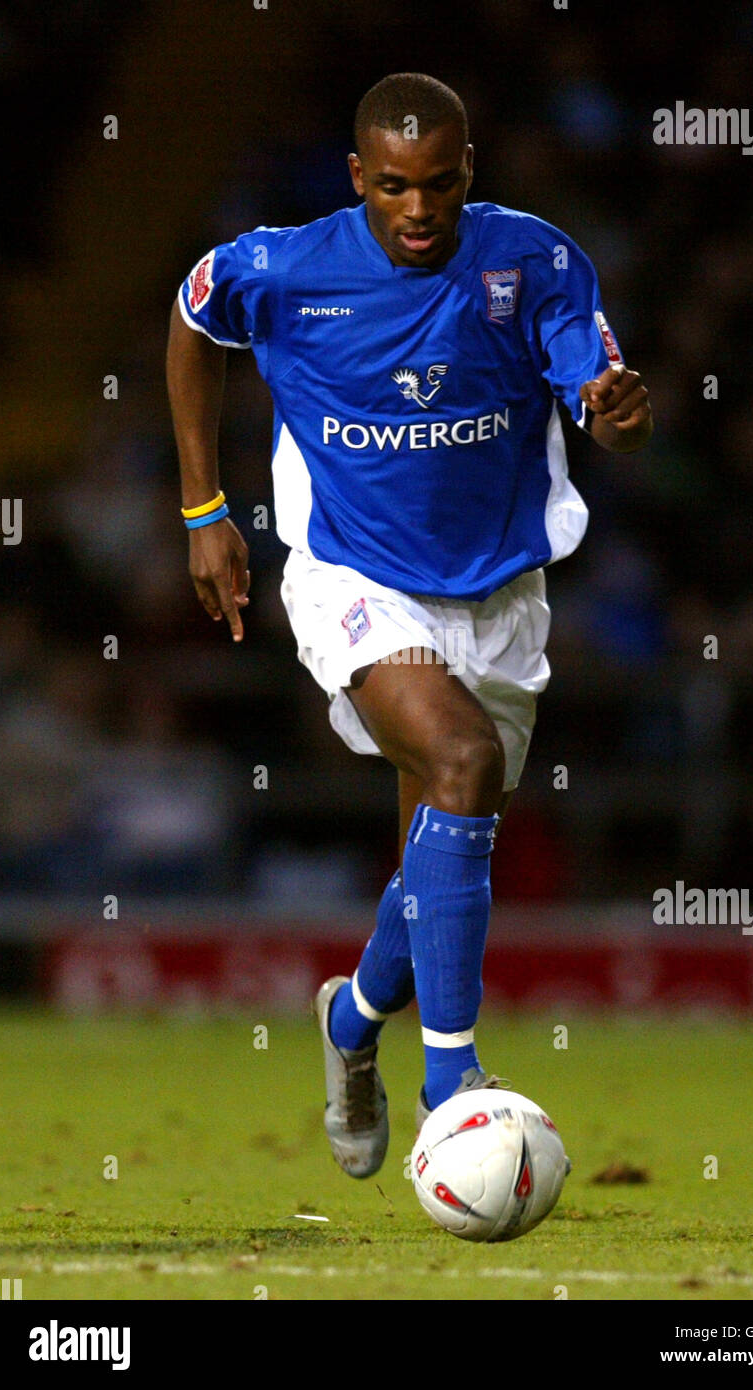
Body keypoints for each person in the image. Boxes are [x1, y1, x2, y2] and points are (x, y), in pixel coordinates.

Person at [166, 72, 652, 1180]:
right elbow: (190, 324)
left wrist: (620, 414)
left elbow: (604, 399)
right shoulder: (284, 265)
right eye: (392, 187)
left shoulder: (531, 261)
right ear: (357, 179)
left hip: (497, 595)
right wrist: (204, 512)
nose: (417, 209)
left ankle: (349, 1024)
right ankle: (452, 1085)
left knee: (442, 832)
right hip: (351, 576)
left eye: (437, 185)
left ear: (467, 172)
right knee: (462, 758)